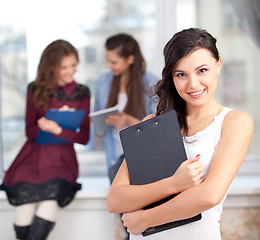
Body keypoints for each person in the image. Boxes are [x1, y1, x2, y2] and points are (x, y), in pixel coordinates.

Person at [106, 28, 254, 240]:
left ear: (218, 65)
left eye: (202, 70)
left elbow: (209, 195)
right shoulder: (151, 124)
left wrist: (146, 219)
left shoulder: (234, 123)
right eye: (181, 74)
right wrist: (174, 183)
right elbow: (116, 200)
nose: (193, 84)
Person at [0, 39, 91, 240]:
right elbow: (30, 131)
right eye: (64, 67)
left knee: (49, 204)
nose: (70, 71)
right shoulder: (35, 88)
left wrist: (58, 129)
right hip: (32, 159)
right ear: (51, 68)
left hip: (61, 162)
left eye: (74, 65)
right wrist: (47, 124)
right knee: (23, 210)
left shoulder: (82, 92)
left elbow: (84, 137)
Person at [93, 33, 158, 239]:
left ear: (130, 59)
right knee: (129, 220)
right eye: (108, 61)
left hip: (141, 157)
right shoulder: (103, 82)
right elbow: (97, 127)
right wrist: (101, 125)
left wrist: (128, 120)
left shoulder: (151, 82)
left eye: (114, 61)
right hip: (115, 157)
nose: (109, 66)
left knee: (138, 217)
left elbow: (157, 128)